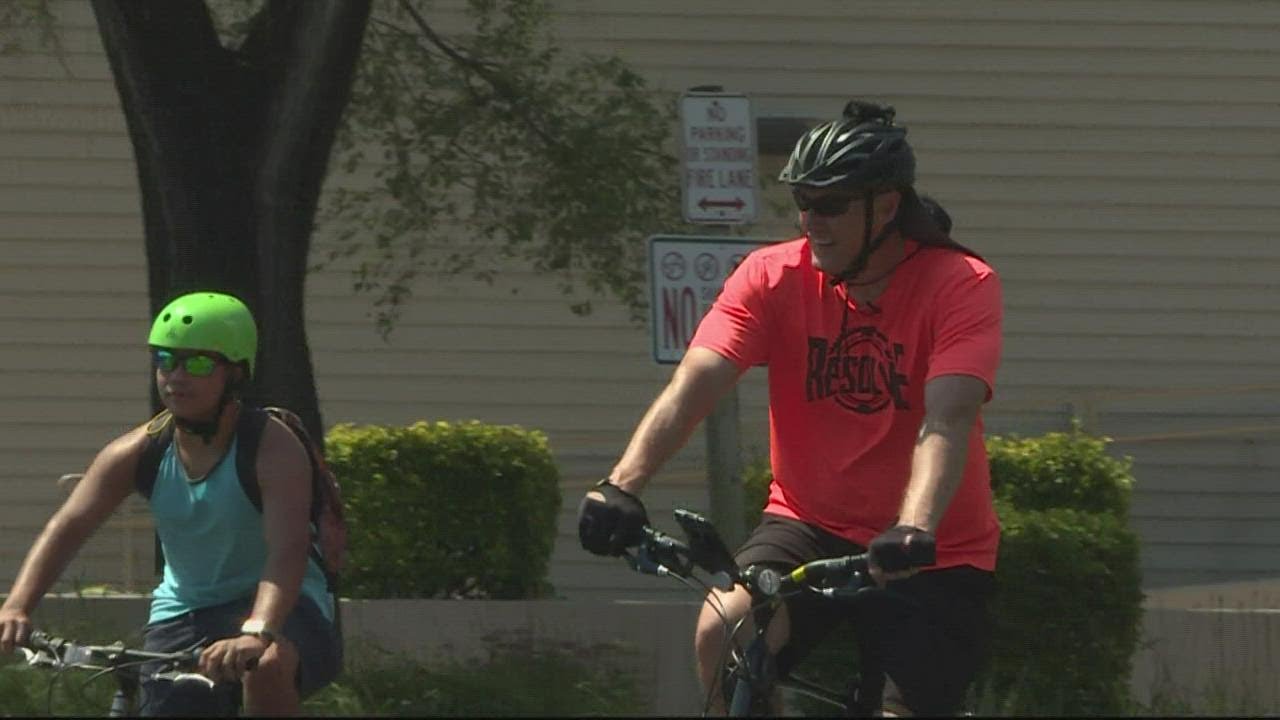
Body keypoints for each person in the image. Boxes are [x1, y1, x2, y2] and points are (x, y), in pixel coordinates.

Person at [578, 100, 1002, 716]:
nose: (811, 221)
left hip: (932, 550)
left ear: (886, 206)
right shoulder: (772, 275)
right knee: (723, 629)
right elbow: (697, 380)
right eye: (803, 202)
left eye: (830, 205)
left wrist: (914, 527)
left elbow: (948, 416)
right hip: (808, 523)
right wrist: (621, 485)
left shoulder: (960, 283)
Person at [0, 292, 341, 716]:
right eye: (165, 360)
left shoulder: (271, 446)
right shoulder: (137, 452)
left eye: (197, 364)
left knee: (266, 666)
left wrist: (258, 631)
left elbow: (287, 549)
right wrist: (17, 606)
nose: (176, 377)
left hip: (286, 607)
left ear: (235, 373)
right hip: (187, 610)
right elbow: (69, 526)